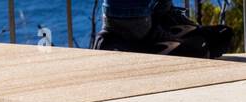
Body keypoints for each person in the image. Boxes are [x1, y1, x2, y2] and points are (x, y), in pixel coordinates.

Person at [94, 0, 234, 56]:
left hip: (151, 15)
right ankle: (127, 29)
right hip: (131, 23)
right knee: (198, 47)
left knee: (204, 43)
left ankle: (161, 17)